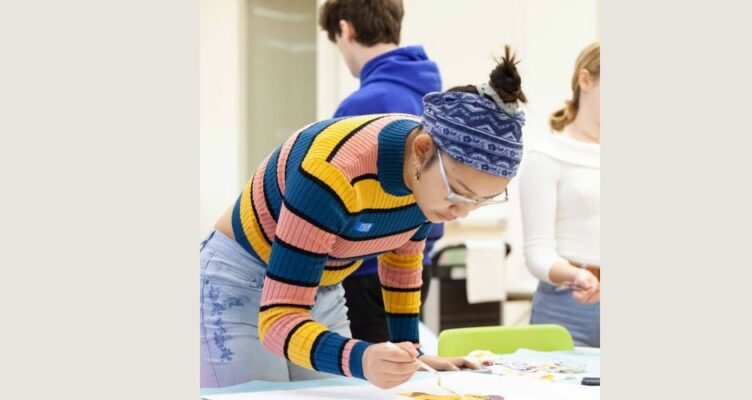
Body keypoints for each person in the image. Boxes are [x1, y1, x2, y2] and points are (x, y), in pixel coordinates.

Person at [200, 46, 528, 389]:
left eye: (481, 201)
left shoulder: (431, 181)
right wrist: (362, 358)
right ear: (422, 151)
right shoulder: (332, 173)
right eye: (458, 192)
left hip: (322, 287)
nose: (461, 211)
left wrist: (409, 351)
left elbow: (402, 259)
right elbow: (279, 319)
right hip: (237, 280)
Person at [318, 0, 445, 343]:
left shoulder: (361, 106)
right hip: (420, 262)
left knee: (371, 381)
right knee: (403, 367)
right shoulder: (434, 95)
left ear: (346, 29)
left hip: (368, 271)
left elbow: (327, 198)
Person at [519, 42, 601, 347]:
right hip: (567, 308)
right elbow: (537, 252)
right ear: (585, 80)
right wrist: (576, 276)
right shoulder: (547, 155)